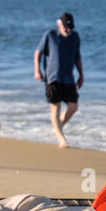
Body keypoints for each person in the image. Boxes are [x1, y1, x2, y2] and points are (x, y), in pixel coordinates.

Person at [34, 12, 83, 147]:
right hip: (52, 77)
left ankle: (57, 127)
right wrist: (37, 70)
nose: (68, 30)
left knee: (73, 107)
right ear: (59, 24)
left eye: (70, 27)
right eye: (66, 27)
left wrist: (81, 75)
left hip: (69, 78)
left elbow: (77, 57)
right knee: (55, 108)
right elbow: (38, 53)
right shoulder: (49, 35)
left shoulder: (75, 36)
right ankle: (62, 139)